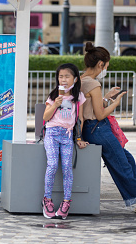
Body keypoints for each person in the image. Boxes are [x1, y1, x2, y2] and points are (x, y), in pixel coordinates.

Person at [80, 41, 136, 212]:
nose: (106, 70)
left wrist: (105, 98)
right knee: (122, 165)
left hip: (92, 129)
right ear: (100, 64)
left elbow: (90, 106)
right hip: (98, 129)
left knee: (127, 159)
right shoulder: (93, 83)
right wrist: (116, 102)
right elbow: (100, 114)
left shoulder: (82, 79)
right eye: (106, 67)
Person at [41, 63, 86, 219]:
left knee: (67, 168)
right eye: (61, 76)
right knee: (52, 164)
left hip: (67, 136)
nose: (64, 79)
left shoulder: (78, 96)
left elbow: (80, 119)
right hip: (52, 133)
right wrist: (56, 104)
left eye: (67, 76)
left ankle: (66, 202)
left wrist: (79, 138)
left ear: (75, 78)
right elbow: (45, 117)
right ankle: (47, 200)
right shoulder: (54, 95)